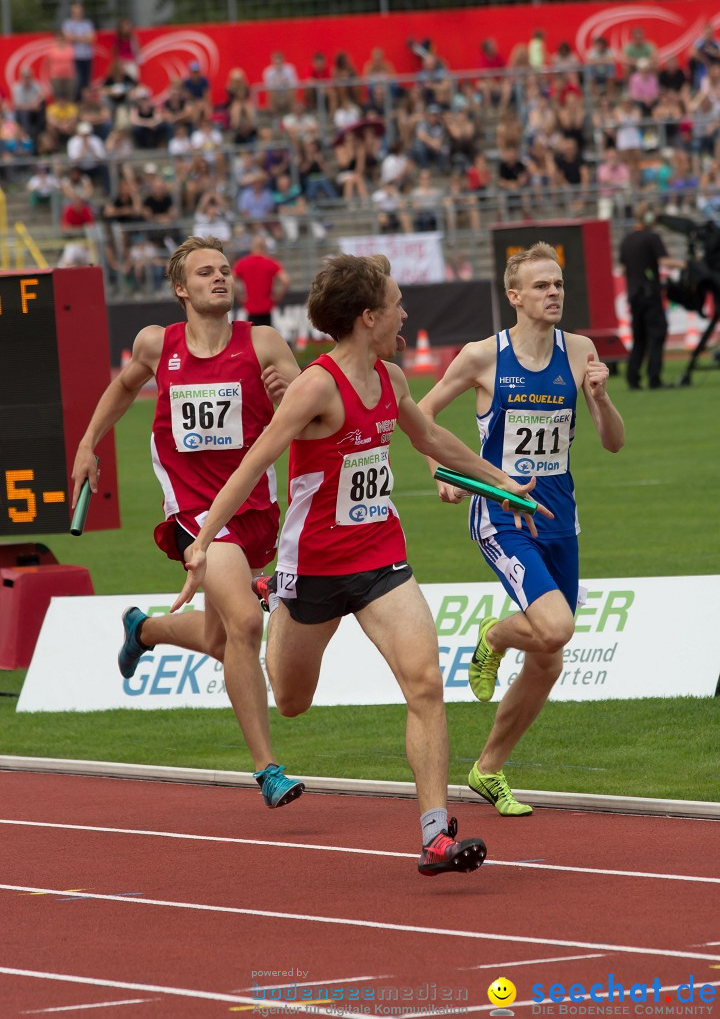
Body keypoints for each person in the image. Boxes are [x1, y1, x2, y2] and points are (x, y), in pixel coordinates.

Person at [171, 253, 549, 875]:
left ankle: (435, 834)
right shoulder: (317, 387)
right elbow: (255, 461)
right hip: (311, 570)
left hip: (381, 559)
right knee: (292, 700)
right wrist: (203, 541)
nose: (406, 312)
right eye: (398, 303)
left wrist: (504, 485)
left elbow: (433, 439)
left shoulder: (394, 380)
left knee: (425, 683)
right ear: (369, 316)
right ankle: (272, 594)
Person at [70, 236, 305, 810]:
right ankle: (267, 768)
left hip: (255, 511)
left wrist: (284, 395)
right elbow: (123, 389)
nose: (220, 279)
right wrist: (87, 445)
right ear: (181, 288)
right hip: (195, 514)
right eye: (205, 273)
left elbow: (311, 417)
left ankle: (143, 630)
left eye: (225, 271)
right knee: (247, 624)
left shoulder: (265, 341)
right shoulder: (157, 344)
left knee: (222, 636)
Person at [418, 242, 625, 817]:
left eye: (557, 284)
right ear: (514, 296)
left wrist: (602, 400)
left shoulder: (580, 350)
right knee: (554, 627)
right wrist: (441, 472)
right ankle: (493, 635)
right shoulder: (482, 356)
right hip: (502, 515)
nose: (553, 293)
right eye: (540, 286)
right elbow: (421, 415)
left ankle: (487, 769)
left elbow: (613, 441)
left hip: (560, 513)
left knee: (550, 658)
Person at [619, 203, 685, 390]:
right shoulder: (652, 238)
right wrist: (685, 265)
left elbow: (624, 269)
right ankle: (654, 378)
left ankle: (633, 378)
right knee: (657, 334)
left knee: (639, 338)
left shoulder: (626, 240)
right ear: (648, 218)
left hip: (634, 295)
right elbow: (664, 261)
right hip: (650, 295)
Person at [233, 234, 289, 327]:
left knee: (252, 337)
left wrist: (239, 296)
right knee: (266, 337)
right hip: (266, 308)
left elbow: (231, 280)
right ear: (265, 247)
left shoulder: (242, 263)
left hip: (250, 308)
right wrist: (278, 296)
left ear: (252, 247)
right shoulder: (271, 262)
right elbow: (286, 281)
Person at [62, 2, 96, 99]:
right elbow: (68, 37)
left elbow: (91, 38)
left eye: (80, 12)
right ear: (72, 13)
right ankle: (77, 103)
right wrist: (83, 38)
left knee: (86, 82)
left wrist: (76, 38)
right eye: (76, 12)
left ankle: (85, 104)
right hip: (75, 57)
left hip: (87, 56)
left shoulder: (87, 23)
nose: (78, 14)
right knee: (77, 82)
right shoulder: (68, 24)